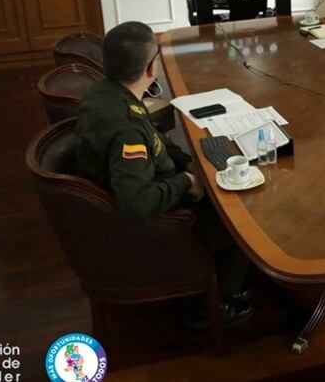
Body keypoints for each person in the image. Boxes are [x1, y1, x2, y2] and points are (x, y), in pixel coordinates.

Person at [76, 21, 252, 326]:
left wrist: (187, 163)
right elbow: (137, 203)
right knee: (240, 221)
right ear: (150, 68)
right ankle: (216, 304)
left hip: (127, 194)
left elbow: (155, 139)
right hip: (150, 222)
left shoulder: (105, 91)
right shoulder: (126, 131)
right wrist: (187, 181)